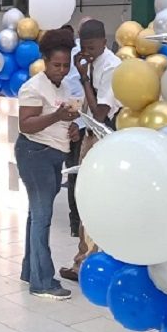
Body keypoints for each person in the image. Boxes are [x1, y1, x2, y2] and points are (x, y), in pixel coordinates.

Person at [16, 28, 80, 300]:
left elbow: (61, 119)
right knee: (42, 218)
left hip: (53, 154)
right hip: (35, 154)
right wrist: (56, 117)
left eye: (66, 65)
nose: (62, 70)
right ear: (44, 61)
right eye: (56, 65)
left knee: (36, 216)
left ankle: (30, 270)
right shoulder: (32, 87)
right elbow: (26, 124)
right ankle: (42, 282)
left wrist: (72, 127)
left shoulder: (63, 87)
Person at [59, 19, 122, 282]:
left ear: (105, 43)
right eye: (83, 48)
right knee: (86, 197)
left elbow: (100, 112)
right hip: (91, 135)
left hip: (106, 139)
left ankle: (89, 262)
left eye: (93, 47)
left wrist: (84, 77)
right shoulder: (91, 62)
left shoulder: (111, 68)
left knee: (96, 200)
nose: (88, 53)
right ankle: (85, 260)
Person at [61, 18, 92, 238]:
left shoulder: (93, 56)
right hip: (78, 123)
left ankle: (80, 222)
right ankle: (76, 222)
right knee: (76, 173)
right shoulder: (76, 56)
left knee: (78, 174)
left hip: (84, 123)